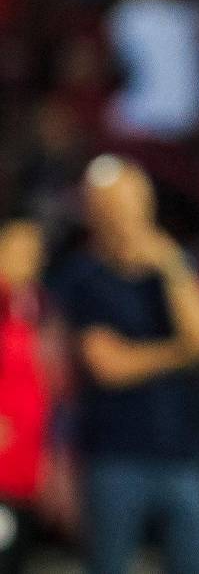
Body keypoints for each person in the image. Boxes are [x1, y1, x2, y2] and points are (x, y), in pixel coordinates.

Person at [50, 155, 199, 574]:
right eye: (113, 206)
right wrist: (182, 351)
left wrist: (171, 266)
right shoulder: (82, 277)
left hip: (183, 454)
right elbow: (109, 366)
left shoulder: (172, 268)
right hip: (114, 457)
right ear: (93, 211)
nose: (126, 216)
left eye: (133, 203)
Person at [0, 219, 49, 573]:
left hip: (26, 461)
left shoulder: (36, 304)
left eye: (33, 253)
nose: (25, 260)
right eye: (16, 249)